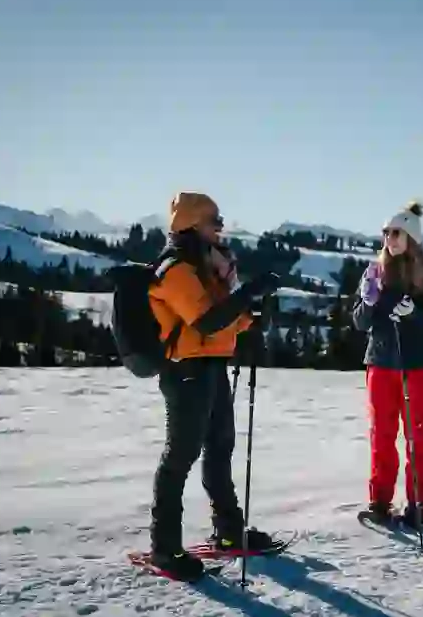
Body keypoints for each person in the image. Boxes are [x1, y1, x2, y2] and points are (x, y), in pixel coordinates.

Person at [146, 191, 280, 581]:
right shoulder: (175, 270)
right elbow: (204, 320)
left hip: (210, 366)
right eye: (214, 221)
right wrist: (246, 297)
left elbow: (223, 320)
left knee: (220, 447)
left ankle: (228, 530)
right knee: (180, 456)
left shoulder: (204, 267)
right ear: (191, 224)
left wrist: (253, 317)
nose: (221, 227)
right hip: (184, 370)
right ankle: (165, 547)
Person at [352, 200, 423, 529]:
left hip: (416, 365)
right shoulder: (375, 274)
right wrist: (367, 301)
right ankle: (380, 500)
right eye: (386, 232)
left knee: (418, 434)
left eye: (396, 233)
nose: (389, 238)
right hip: (381, 362)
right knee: (382, 433)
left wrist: (416, 314)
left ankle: (419, 502)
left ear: (412, 239)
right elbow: (360, 323)